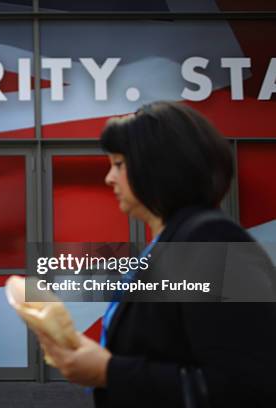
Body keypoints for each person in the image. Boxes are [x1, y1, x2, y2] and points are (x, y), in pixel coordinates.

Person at [36, 101, 276, 407]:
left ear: (159, 167)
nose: (109, 178)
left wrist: (108, 371)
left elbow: (248, 386)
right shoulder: (172, 241)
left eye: (119, 164)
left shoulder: (208, 241)